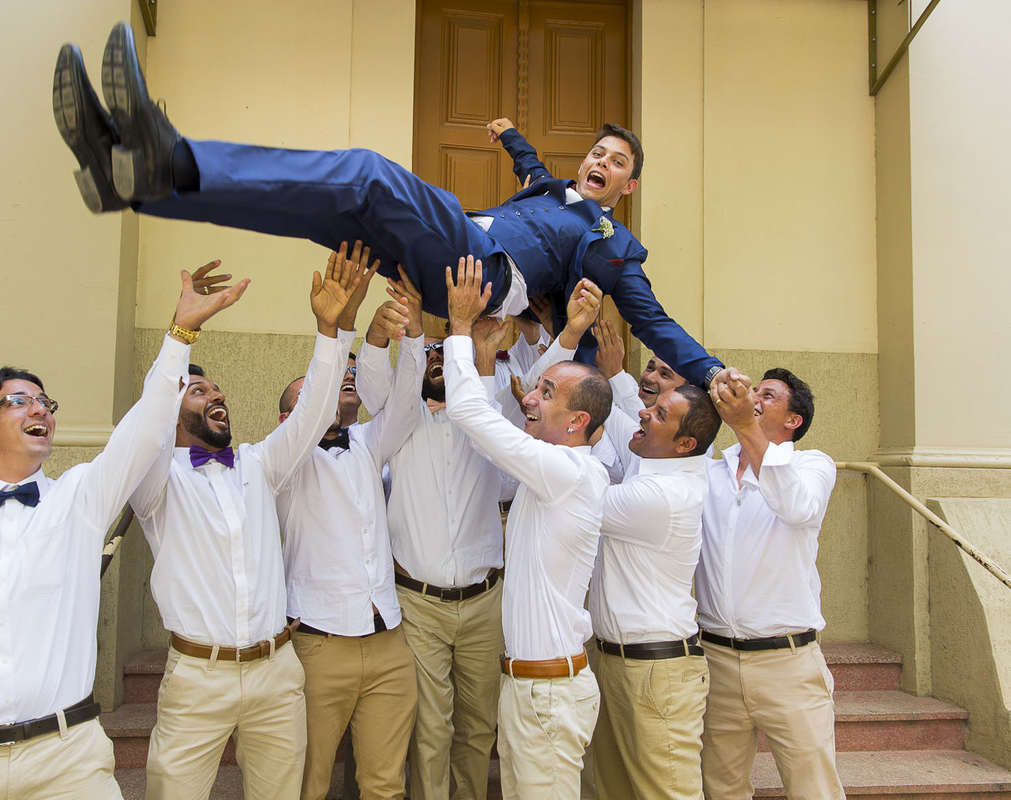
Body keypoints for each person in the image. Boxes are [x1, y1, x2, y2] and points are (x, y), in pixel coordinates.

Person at [52, 23, 724, 387]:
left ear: (629, 186)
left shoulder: (613, 242)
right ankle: (136, 185)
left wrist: (713, 370)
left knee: (371, 175)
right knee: (327, 212)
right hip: (445, 251)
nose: (602, 163)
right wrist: (510, 136)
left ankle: (173, 157)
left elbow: (654, 321)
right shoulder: (551, 188)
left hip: (483, 270)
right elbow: (531, 169)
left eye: (618, 162)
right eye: (598, 153)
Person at [0, 265, 247, 799]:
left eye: (45, 402)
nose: (40, 408)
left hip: (70, 761)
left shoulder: (80, 501)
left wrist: (180, 335)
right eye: (20, 401)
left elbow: (144, 429)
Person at [125, 248, 368, 800]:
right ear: (171, 409)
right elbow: (147, 420)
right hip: (197, 676)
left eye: (217, 390)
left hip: (277, 671)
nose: (216, 394)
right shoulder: (155, 481)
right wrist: (182, 332)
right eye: (198, 390)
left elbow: (314, 413)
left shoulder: (259, 464)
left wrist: (329, 332)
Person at [443, 256, 610, 800]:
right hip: (529, 687)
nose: (528, 399)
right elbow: (505, 427)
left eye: (545, 394)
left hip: (550, 694)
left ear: (578, 422)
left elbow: (470, 414)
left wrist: (460, 327)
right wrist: (569, 336)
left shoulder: (568, 472)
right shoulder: (551, 469)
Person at [275, 271, 425, 800]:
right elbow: (313, 409)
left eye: (348, 376)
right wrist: (339, 328)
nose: (344, 381)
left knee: (386, 785)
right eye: (313, 392)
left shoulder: (366, 442)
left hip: (388, 640)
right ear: (288, 416)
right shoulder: (283, 462)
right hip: (320, 643)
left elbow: (405, 404)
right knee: (307, 782)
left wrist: (413, 332)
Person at [377, 291, 510, 800]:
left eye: (443, 351)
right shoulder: (397, 428)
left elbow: (494, 409)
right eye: (428, 352)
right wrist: (411, 334)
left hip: (484, 603)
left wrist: (482, 355)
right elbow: (377, 381)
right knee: (430, 730)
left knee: (478, 727)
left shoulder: (488, 427)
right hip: (420, 604)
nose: (436, 357)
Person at [697, 369, 844, 800]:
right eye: (754, 390)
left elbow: (797, 508)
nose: (755, 397)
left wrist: (746, 425)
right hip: (716, 660)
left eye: (769, 395)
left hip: (789, 664)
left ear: (793, 420)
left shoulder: (812, 465)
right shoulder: (710, 471)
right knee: (720, 788)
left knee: (814, 789)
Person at [587, 372, 721, 800]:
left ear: (685, 444)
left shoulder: (663, 494)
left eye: (660, 414)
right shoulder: (654, 467)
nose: (644, 413)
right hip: (615, 661)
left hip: (653, 672)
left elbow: (571, 498)